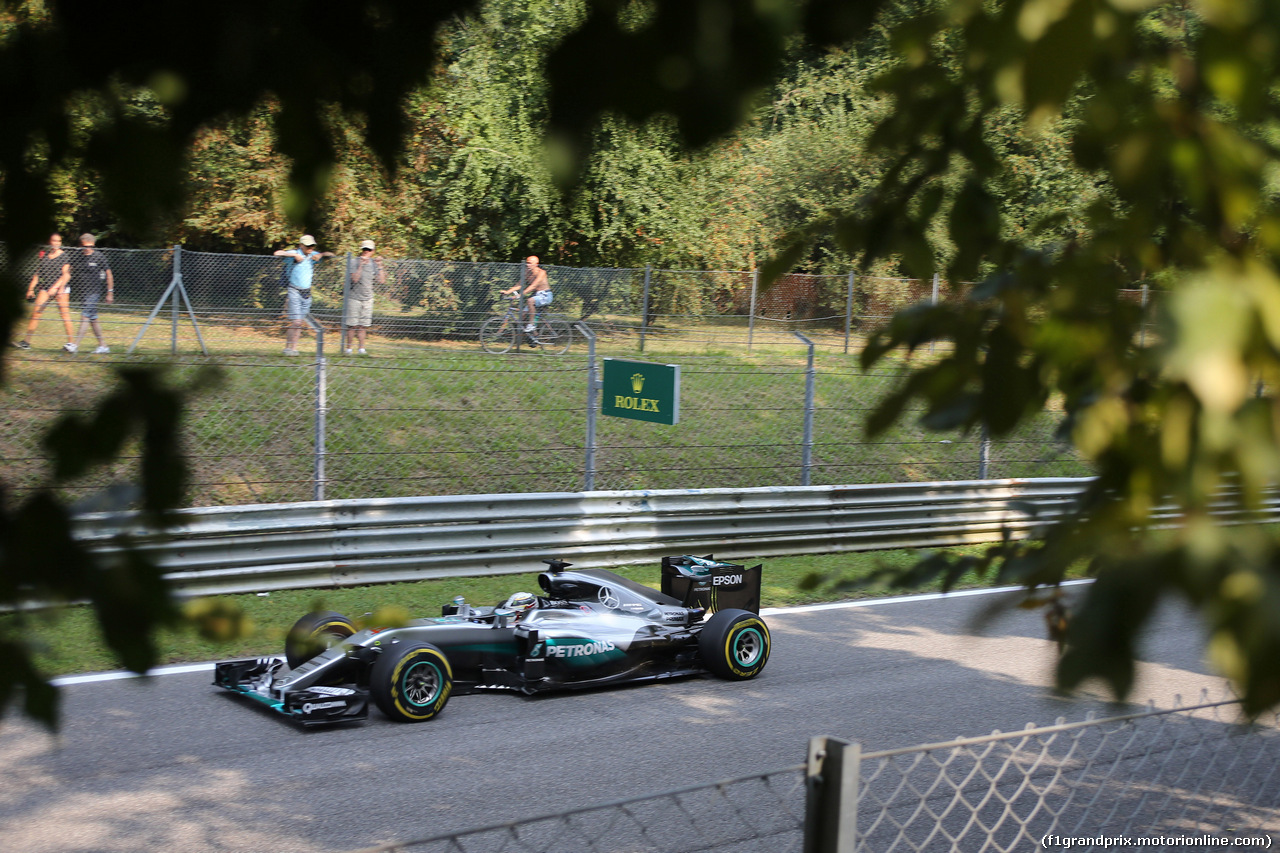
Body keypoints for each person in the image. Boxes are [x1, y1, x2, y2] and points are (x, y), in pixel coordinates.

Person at [273, 235, 334, 356]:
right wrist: (293, 256)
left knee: (299, 322)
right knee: (296, 322)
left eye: (312, 246)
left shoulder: (313, 254)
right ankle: (289, 348)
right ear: (301, 245)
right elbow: (277, 253)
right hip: (294, 290)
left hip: (306, 292)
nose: (310, 248)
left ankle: (292, 348)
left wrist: (321, 255)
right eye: (308, 246)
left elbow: (331, 254)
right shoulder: (295, 253)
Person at [13, 233, 74, 350]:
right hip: (46, 287)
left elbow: (66, 274)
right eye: (54, 241)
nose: (56, 243)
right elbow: (38, 273)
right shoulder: (45, 255)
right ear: (50, 242)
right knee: (36, 313)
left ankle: (71, 344)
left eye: (59, 241)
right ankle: (26, 342)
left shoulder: (64, 256)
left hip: (61, 288)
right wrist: (31, 289)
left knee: (64, 315)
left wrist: (56, 288)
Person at [67, 233, 114, 354]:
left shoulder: (99, 257)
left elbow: (109, 274)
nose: (89, 248)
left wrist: (110, 292)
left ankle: (75, 345)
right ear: (81, 245)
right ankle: (103, 346)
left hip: (94, 292)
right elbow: (68, 271)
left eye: (91, 246)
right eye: (86, 246)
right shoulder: (77, 256)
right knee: (93, 318)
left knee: (85, 316)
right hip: (82, 292)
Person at [345, 239, 385, 355]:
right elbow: (355, 279)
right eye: (365, 249)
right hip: (354, 297)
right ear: (361, 250)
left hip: (368, 298)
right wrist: (361, 266)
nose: (366, 252)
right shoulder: (354, 262)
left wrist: (380, 266)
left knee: (363, 325)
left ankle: (361, 349)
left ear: (373, 251)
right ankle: (348, 349)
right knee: (352, 325)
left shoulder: (374, 263)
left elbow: (381, 281)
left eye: (369, 249)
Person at [501, 255, 551, 333]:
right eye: (527, 263)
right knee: (522, 315)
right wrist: (507, 292)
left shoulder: (541, 273)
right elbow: (519, 285)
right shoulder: (527, 273)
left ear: (536, 264)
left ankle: (531, 325)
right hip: (536, 295)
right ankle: (534, 336)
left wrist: (520, 295)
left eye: (530, 263)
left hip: (545, 295)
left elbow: (533, 286)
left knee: (530, 301)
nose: (528, 265)